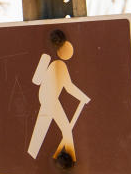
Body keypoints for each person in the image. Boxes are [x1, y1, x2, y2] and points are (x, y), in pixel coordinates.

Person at [27, 31, 91, 164]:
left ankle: (32, 155)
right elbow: (69, 87)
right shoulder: (59, 66)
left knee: (41, 127)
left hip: (46, 98)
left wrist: (83, 97)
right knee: (66, 128)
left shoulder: (56, 64)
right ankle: (70, 158)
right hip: (49, 99)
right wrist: (84, 97)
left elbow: (67, 87)